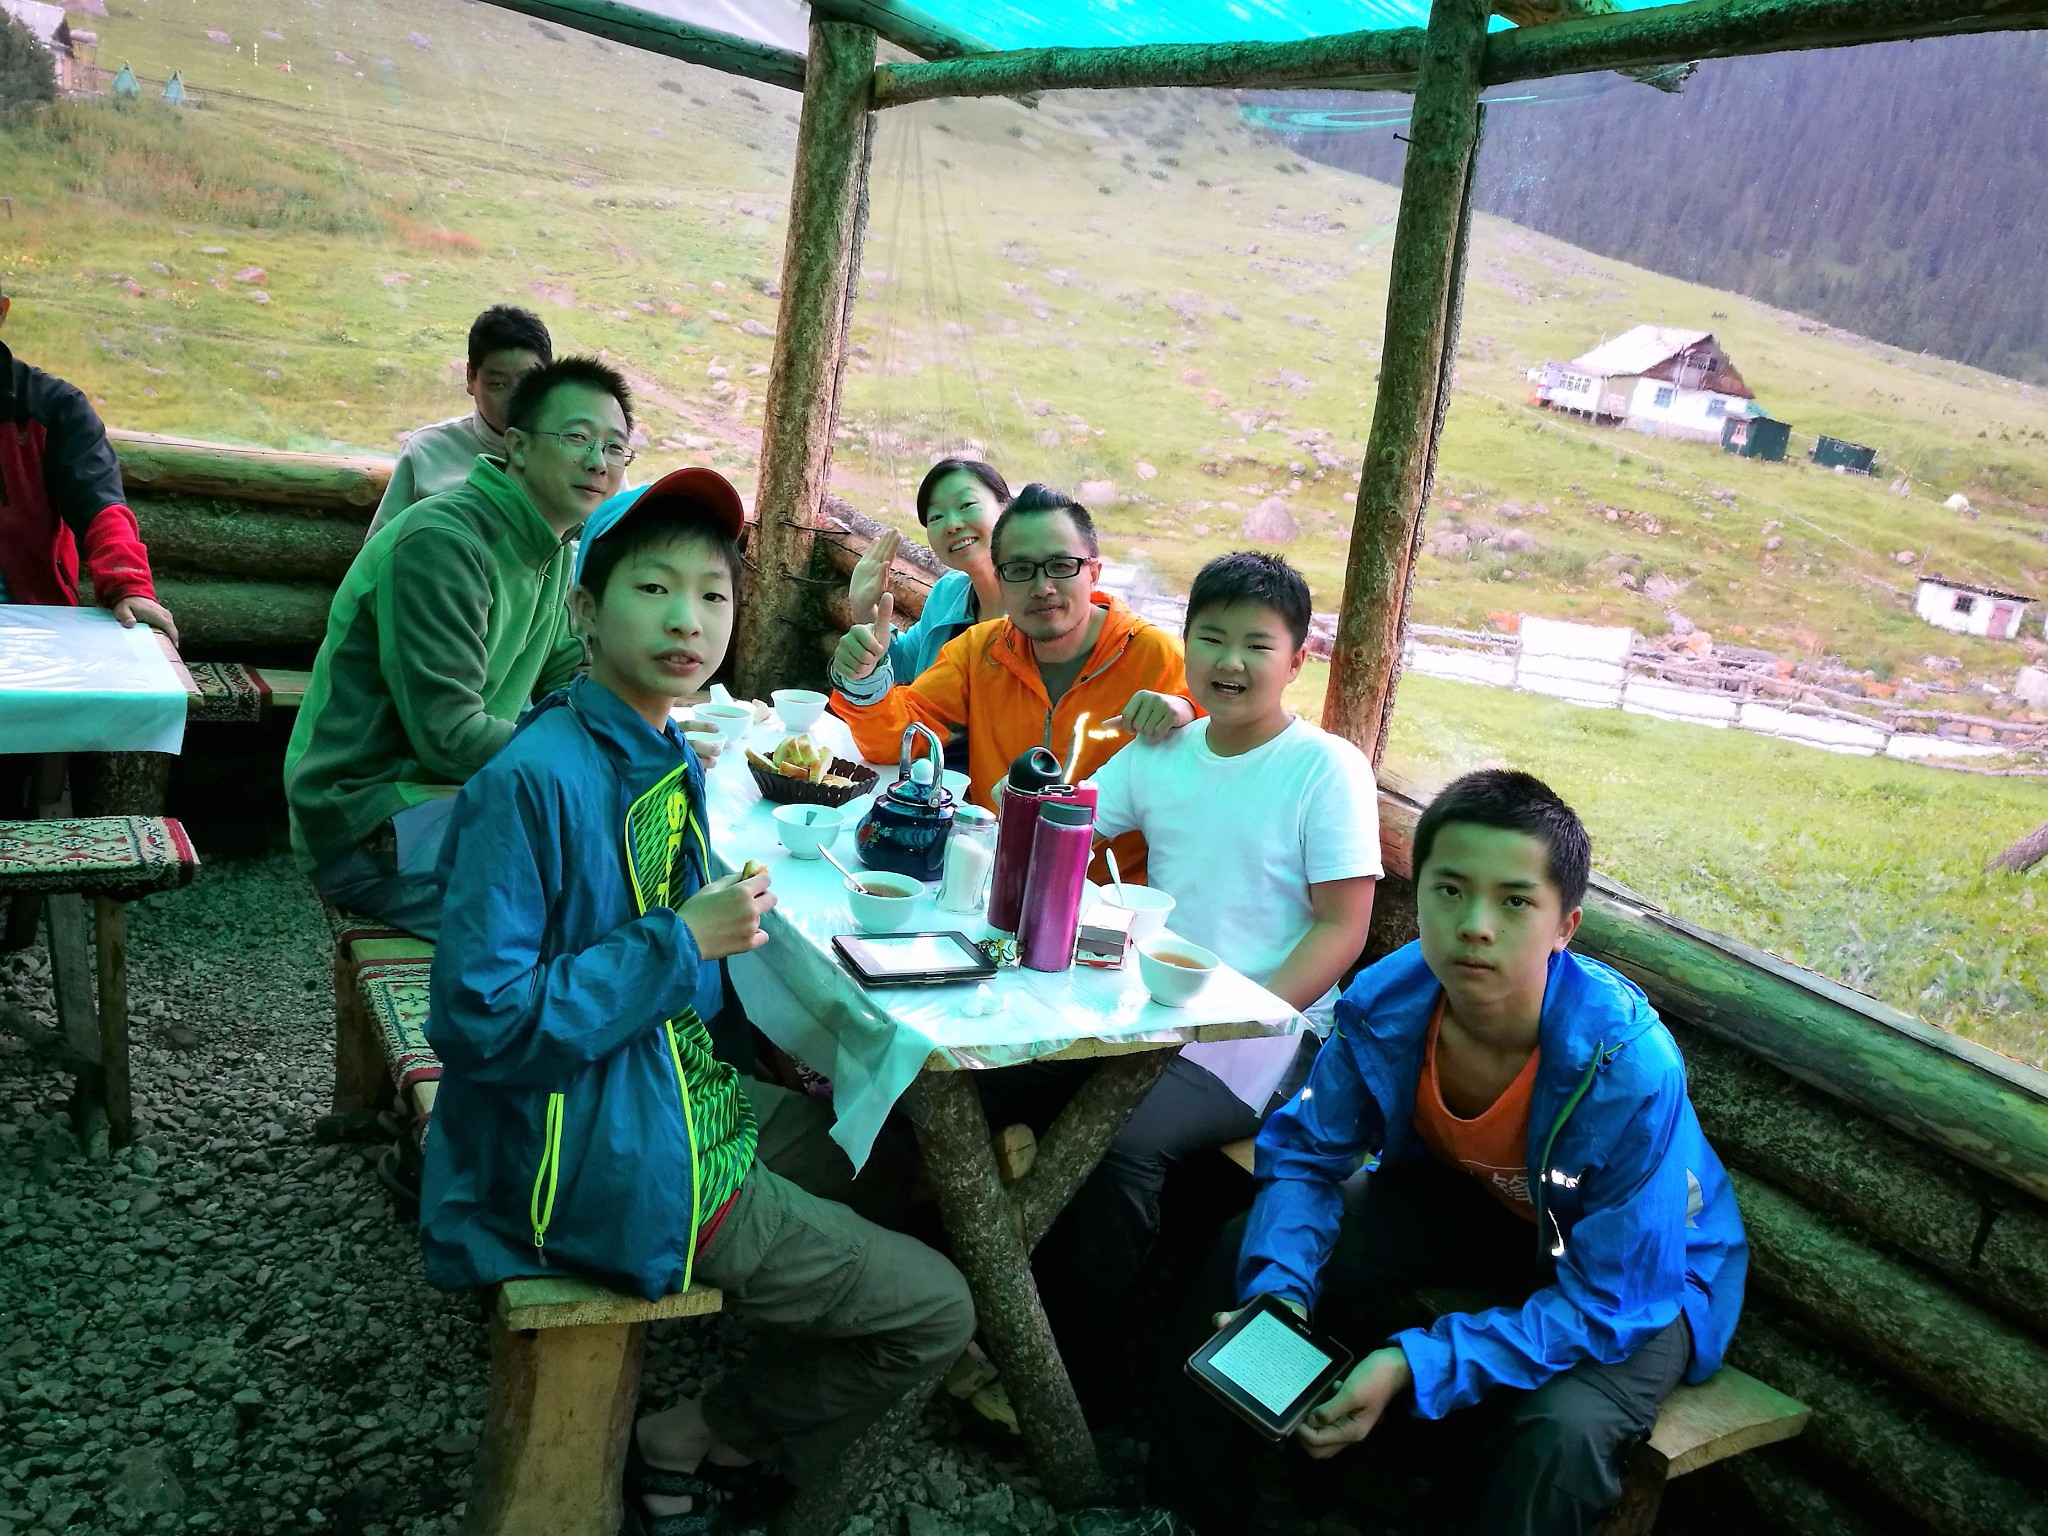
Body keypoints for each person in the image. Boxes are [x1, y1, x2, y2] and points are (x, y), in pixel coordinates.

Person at [418, 478, 974, 1532]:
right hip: (589, 1152)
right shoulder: (533, 780)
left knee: (886, 1159)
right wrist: (681, 941)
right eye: (653, 589)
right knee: (940, 1309)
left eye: (712, 595)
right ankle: (687, 1437)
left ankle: (769, 1337)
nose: (687, 619)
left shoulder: (656, 745)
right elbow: (482, 1023)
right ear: (585, 610)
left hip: (654, 1091)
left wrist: (694, 943)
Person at [1130, 770, 1748, 1536]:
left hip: (1641, 1272)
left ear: (1565, 926)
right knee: (1245, 1260)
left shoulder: (1624, 1067)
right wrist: (1280, 1294)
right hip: (1475, 1205)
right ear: (1418, 895)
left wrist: (1415, 1363)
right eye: (1450, 891)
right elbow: (1308, 1155)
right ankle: (1185, 1514)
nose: (1475, 925)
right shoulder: (1388, 1003)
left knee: (1558, 1439)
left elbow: (1614, 1300)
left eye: (1514, 902)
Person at [1029, 552, 1381, 1410]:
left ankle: (1076, 1380)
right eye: (1212, 639)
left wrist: (1246, 1015)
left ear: (1297, 661)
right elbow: (1066, 824)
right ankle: (1007, 1311)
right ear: (1184, 645)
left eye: (1257, 645)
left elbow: (1344, 926)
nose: (1231, 662)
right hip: (1152, 1004)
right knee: (1017, 1083)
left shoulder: (1325, 768)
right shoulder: (1165, 751)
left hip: (1270, 1033)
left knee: (1117, 1141)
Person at [285, 356, 638, 938]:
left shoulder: (552, 551)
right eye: (577, 438)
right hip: (371, 817)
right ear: (518, 445)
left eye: (614, 447)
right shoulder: (445, 544)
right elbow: (449, 736)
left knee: (636, 859)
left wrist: (639, 726)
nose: (598, 462)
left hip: (460, 795)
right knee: (593, 911)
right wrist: (595, 759)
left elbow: (569, 680)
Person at [829, 483, 1194, 879]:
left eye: (1061, 565)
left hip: (1106, 896)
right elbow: (898, 739)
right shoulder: (981, 650)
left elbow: (1221, 755)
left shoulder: (1157, 657)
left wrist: (1187, 711)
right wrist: (865, 681)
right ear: (1000, 581)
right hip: (992, 876)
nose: (1042, 587)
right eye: (1020, 570)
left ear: (1094, 572)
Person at [0, 277, 177, 639]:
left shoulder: (55, 407)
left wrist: (129, 586)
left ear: (1, 313)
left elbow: (99, 503)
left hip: (28, 620)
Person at [366, 303, 553, 537]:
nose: (515, 399)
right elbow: (380, 548)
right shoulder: (426, 451)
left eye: (527, 383)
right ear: (471, 378)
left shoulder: (573, 452)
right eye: (498, 384)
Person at [833, 457, 1009, 689]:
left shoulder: (1037, 608)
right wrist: (864, 607)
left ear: (1007, 509)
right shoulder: (949, 593)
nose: (952, 525)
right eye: (936, 517)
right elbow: (906, 661)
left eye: (966, 504)